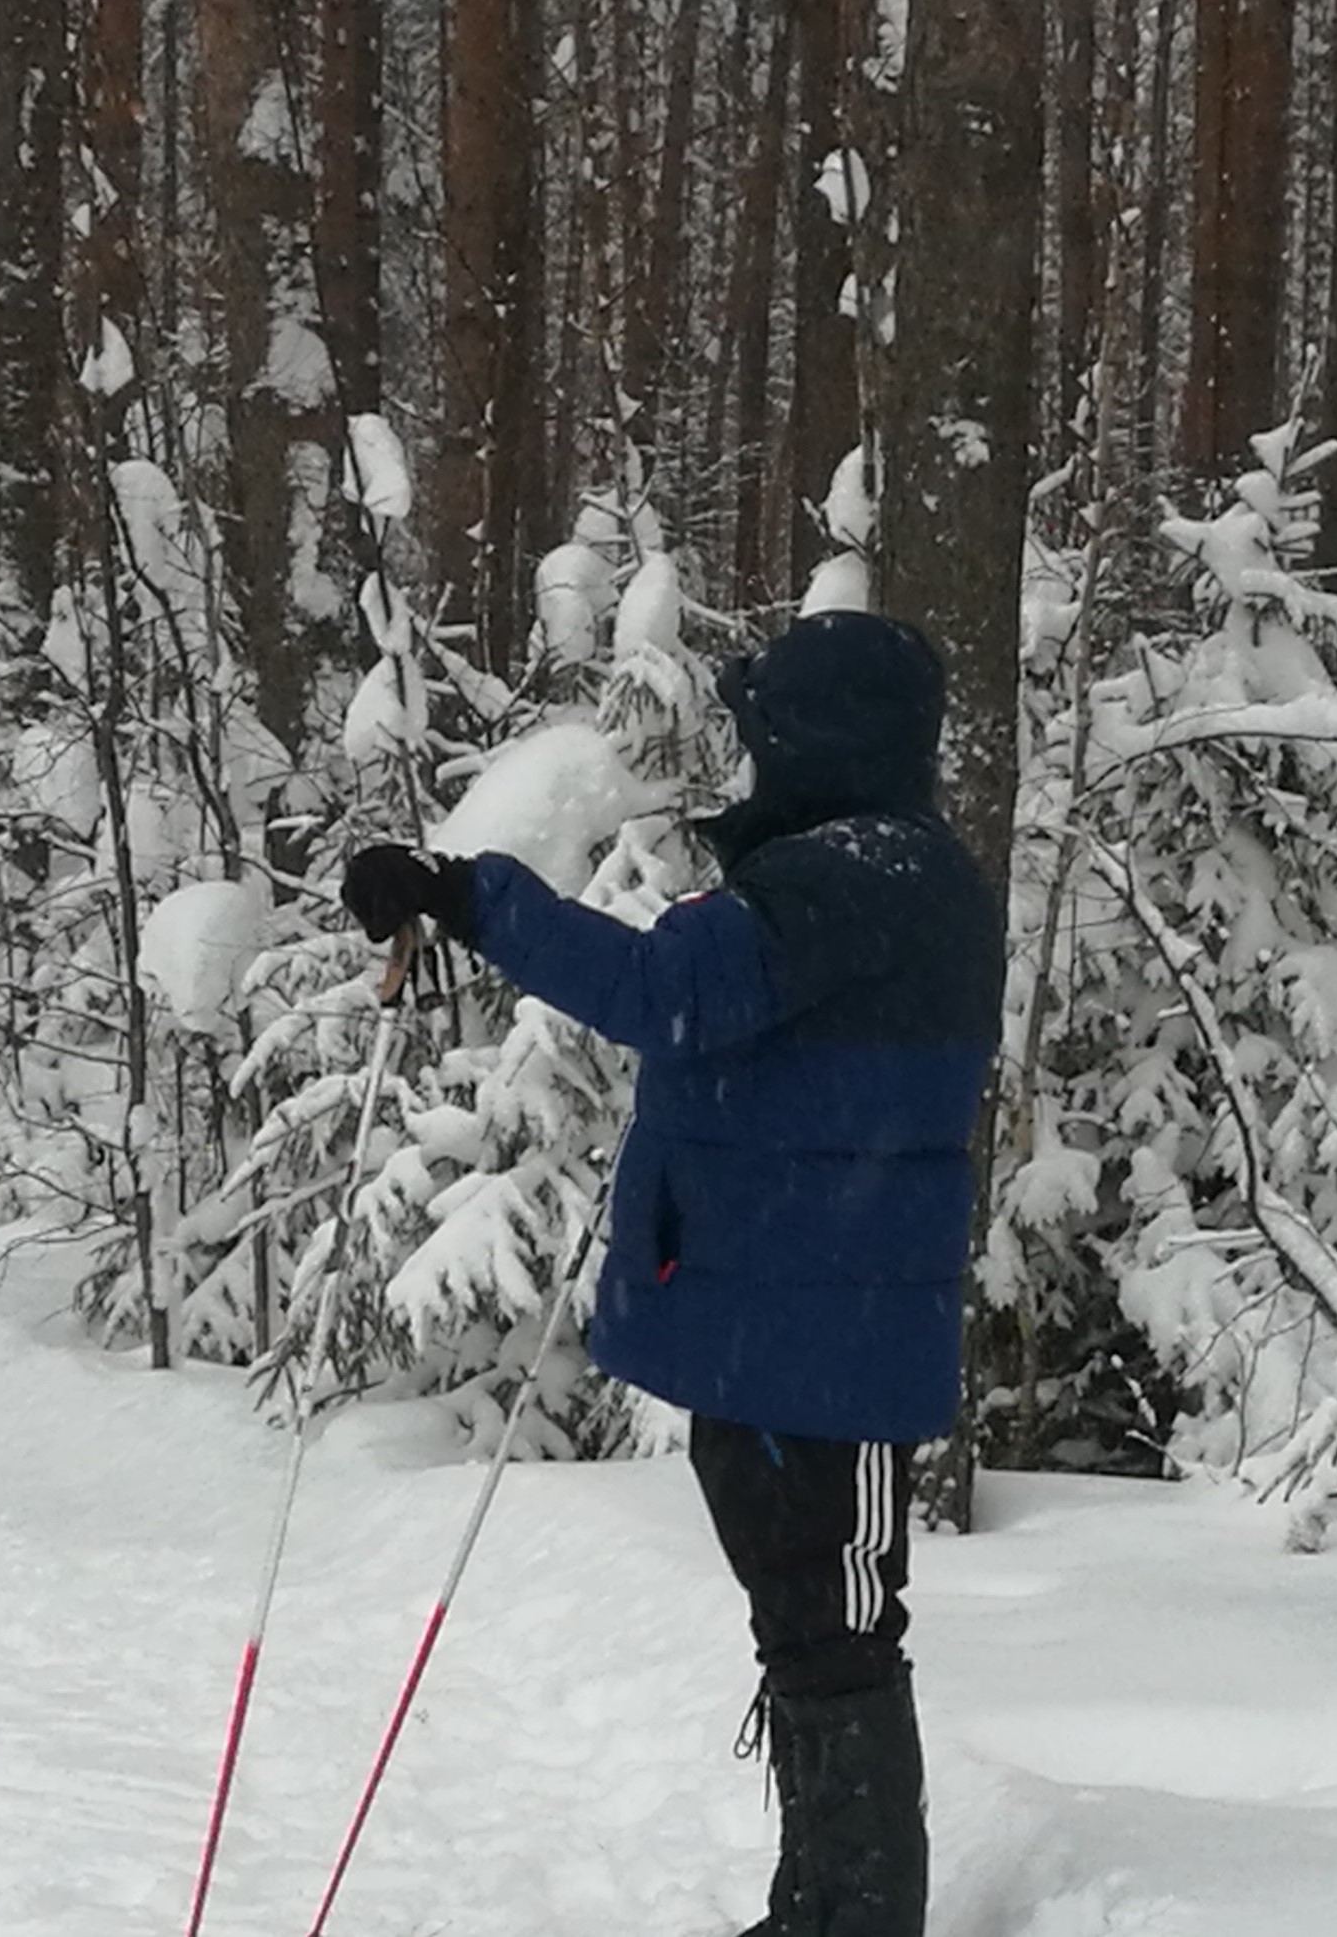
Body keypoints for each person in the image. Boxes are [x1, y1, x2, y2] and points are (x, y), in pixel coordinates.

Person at [341, 609, 1003, 1937]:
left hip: (833, 1340)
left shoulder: (864, 875)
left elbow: (661, 992)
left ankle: (858, 1918)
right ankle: (814, 1904)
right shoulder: (839, 868)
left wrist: (470, 896)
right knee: (801, 1619)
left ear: (823, 740)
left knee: (837, 1626)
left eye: (768, 733)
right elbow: (701, 1000)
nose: (749, 757)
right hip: (773, 1319)